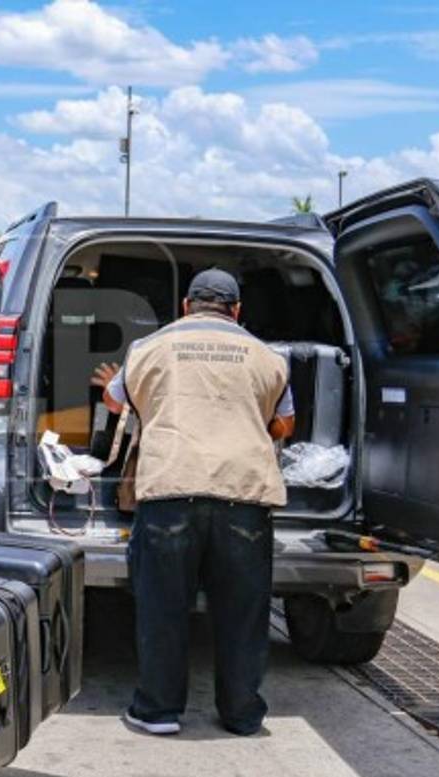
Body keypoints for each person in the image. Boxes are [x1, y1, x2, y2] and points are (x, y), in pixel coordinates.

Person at [98, 267, 294, 737]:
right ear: (236, 310)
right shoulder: (269, 357)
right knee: (243, 612)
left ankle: (158, 712)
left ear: (186, 306)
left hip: (170, 488)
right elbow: (285, 425)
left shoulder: (149, 348)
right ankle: (242, 714)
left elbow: (113, 399)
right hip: (243, 494)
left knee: (163, 606)